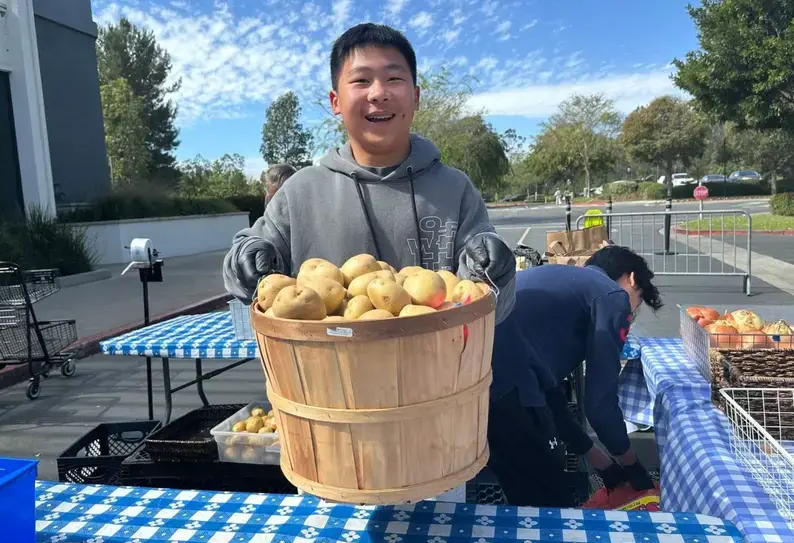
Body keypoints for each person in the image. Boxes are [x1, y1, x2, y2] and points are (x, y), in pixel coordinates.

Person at [222, 23, 516, 323]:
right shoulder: (300, 192)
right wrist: (247, 260)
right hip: (325, 368)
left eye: (394, 78)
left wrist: (498, 271)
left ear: (415, 97)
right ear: (335, 101)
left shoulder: (455, 190)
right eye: (361, 80)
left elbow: (492, 306)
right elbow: (242, 267)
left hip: (438, 365)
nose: (378, 93)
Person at [487, 244, 663, 507]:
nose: (630, 313)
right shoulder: (611, 294)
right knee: (548, 511)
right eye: (636, 301)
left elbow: (549, 396)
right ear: (631, 278)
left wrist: (604, 465)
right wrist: (632, 465)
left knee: (525, 501)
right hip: (512, 387)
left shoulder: (559, 282)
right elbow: (600, 403)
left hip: (485, 388)